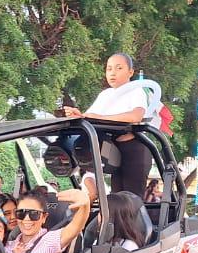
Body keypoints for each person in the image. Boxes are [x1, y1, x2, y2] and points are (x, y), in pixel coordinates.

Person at [60, 52, 152, 196]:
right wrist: (77, 114)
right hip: (114, 148)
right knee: (117, 197)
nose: (112, 73)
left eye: (118, 68)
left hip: (134, 149)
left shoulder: (136, 91)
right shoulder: (105, 95)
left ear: (130, 72)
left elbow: (136, 116)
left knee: (131, 199)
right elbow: (89, 117)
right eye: (109, 69)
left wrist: (102, 117)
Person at [5, 188, 91, 253]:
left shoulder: (49, 240)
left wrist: (85, 204)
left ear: (44, 217)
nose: (27, 219)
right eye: (21, 213)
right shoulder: (11, 243)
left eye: (34, 214)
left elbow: (76, 227)